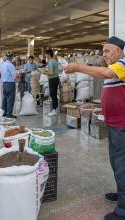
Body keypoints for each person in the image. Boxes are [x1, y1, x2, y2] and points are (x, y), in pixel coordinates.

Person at [64, 36, 125, 220]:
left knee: (122, 166)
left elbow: (107, 75)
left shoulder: (122, 64)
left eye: (107, 51)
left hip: (122, 126)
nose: (104, 54)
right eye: (103, 51)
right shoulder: (114, 68)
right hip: (115, 124)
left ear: (118, 51)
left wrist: (79, 67)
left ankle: (123, 211)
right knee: (117, 164)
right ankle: (122, 194)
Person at [0, 51, 18, 118]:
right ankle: (9, 114)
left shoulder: (3, 64)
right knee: (10, 99)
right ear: (12, 57)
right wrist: (18, 77)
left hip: (4, 84)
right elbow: (15, 75)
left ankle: (4, 112)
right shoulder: (10, 65)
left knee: (5, 99)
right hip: (10, 83)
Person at [45, 49, 60, 116]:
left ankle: (54, 110)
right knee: (54, 94)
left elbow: (51, 73)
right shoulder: (55, 61)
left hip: (52, 79)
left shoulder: (51, 62)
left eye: (45, 54)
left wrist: (44, 72)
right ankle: (55, 109)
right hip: (56, 78)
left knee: (53, 95)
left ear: (48, 54)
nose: (45, 55)